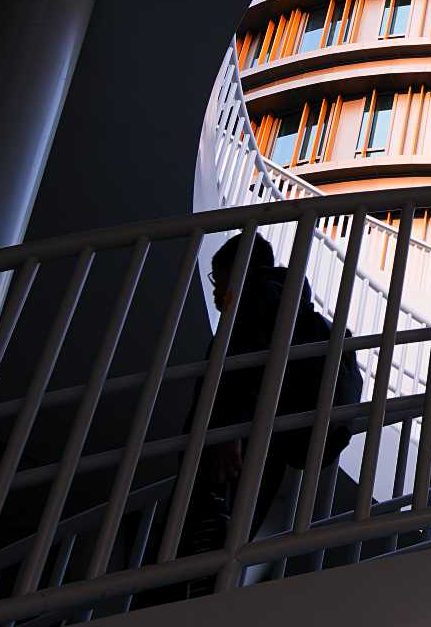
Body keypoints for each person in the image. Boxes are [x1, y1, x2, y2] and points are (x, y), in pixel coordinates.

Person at [143, 234, 363, 603]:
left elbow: (248, 365)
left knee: (187, 553)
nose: (216, 292)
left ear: (238, 268)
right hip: (265, 448)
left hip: (234, 448)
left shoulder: (258, 297)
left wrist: (227, 429)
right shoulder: (287, 302)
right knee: (222, 546)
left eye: (218, 278)